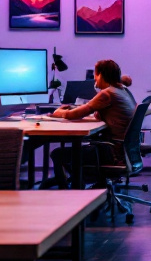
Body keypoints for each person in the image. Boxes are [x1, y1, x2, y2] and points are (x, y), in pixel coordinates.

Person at [50, 59, 135, 188]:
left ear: (100, 75)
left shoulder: (107, 94)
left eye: (95, 74)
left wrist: (59, 112)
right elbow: (90, 109)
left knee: (57, 154)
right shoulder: (122, 90)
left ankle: (71, 192)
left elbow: (73, 115)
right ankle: (83, 184)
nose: (94, 78)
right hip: (123, 150)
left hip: (112, 152)